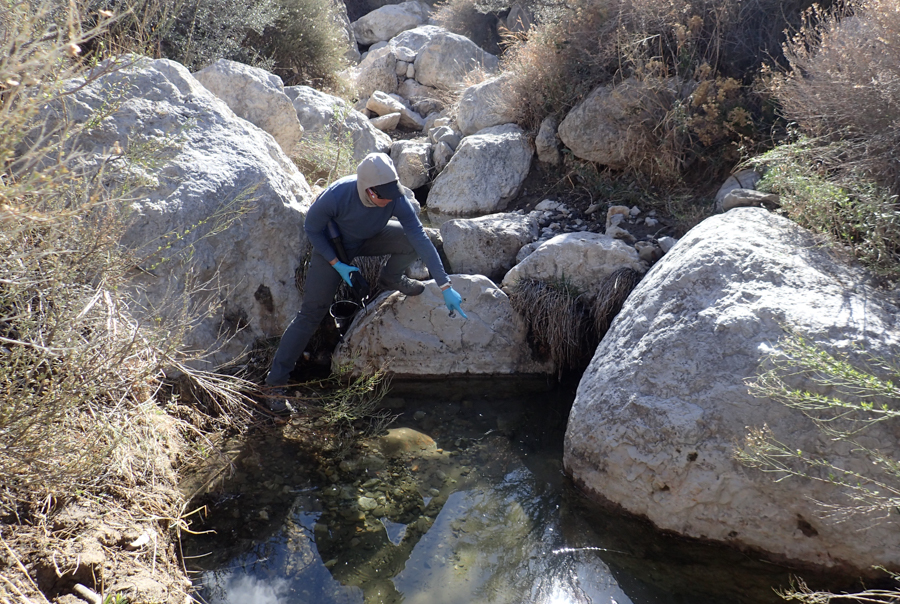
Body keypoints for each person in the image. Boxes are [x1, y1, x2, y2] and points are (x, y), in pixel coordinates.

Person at [265, 153, 467, 414]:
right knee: (310, 314)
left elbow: (420, 238)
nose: (389, 200)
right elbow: (312, 228)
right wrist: (338, 264)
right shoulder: (337, 195)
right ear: (368, 191)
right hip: (334, 250)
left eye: (392, 192)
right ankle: (274, 384)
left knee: (410, 239)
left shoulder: (394, 197)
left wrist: (445, 286)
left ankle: (390, 278)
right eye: (383, 195)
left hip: (370, 239)